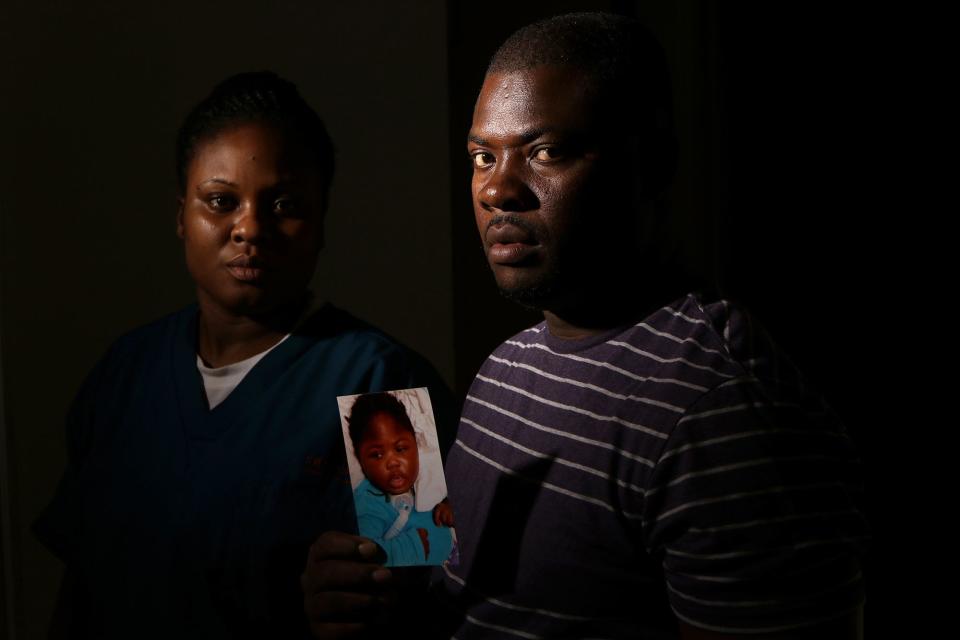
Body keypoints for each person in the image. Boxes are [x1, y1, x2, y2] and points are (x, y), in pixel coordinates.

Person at [302, 12, 867, 639]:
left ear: (651, 164)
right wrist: (375, 598)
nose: (497, 189)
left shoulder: (722, 410)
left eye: (546, 151)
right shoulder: (507, 363)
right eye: (482, 156)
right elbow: (467, 604)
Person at [33, 71, 452, 639]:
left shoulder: (383, 384)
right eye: (220, 201)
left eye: (283, 204)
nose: (249, 227)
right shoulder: (125, 373)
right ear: (183, 215)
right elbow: (81, 586)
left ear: (320, 221)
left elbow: (415, 602)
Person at [346, 392, 455, 566]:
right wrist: (411, 546)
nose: (393, 463)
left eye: (401, 449)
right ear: (360, 460)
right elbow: (363, 555)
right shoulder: (368, 503)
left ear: (416, 446)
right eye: (377, 454)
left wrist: (451, 506)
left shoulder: (433, 477)